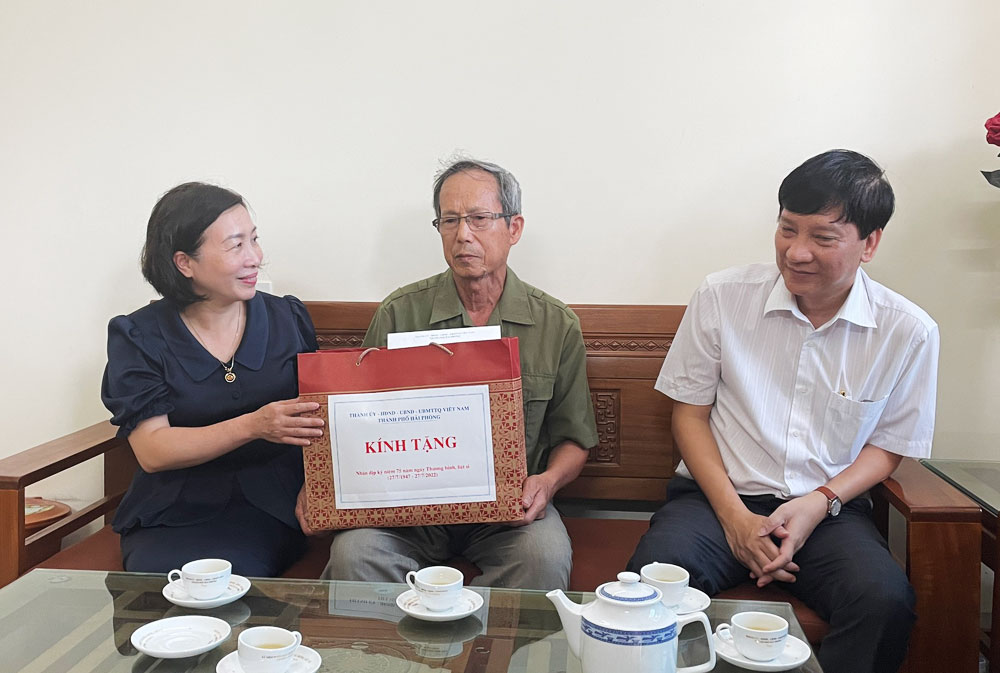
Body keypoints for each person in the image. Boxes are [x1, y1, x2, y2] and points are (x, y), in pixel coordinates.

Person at [627, 150, 939, 673]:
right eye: (787, 229)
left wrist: (819, 501)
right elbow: (689, 416)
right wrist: (735, 520)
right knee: (653, 584)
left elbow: (888, 447)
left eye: (823, 237)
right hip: (716, 500)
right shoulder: (723, 296)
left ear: (870, 243)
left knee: (883, 601)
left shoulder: (907, 330)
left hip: (829, 511)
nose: (796, 252)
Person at [299, 158, 599, 590]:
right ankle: (398, 639)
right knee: (355, 553)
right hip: (405, 510)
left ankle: (476, 637)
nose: (463, 235)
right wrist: (322, 485)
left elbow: (574, 437)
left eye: (479, 219)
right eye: (450, 220)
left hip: (508, 512)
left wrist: (547, 483)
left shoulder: (556, 324)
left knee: (544, 556)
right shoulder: (400, 313)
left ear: (513, 228)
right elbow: (357, 422)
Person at [102, 182, 325, 577]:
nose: (255, 258)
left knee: (223, 581)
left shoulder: (286, 319)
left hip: (269, 504)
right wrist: (254, 424)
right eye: (236, 246)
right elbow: (153, 451)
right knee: (162, 585)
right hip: (171, 508)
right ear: (184, 263)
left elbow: (323, 417)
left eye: (254, 240)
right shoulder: (138, 336)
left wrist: (318, 485)